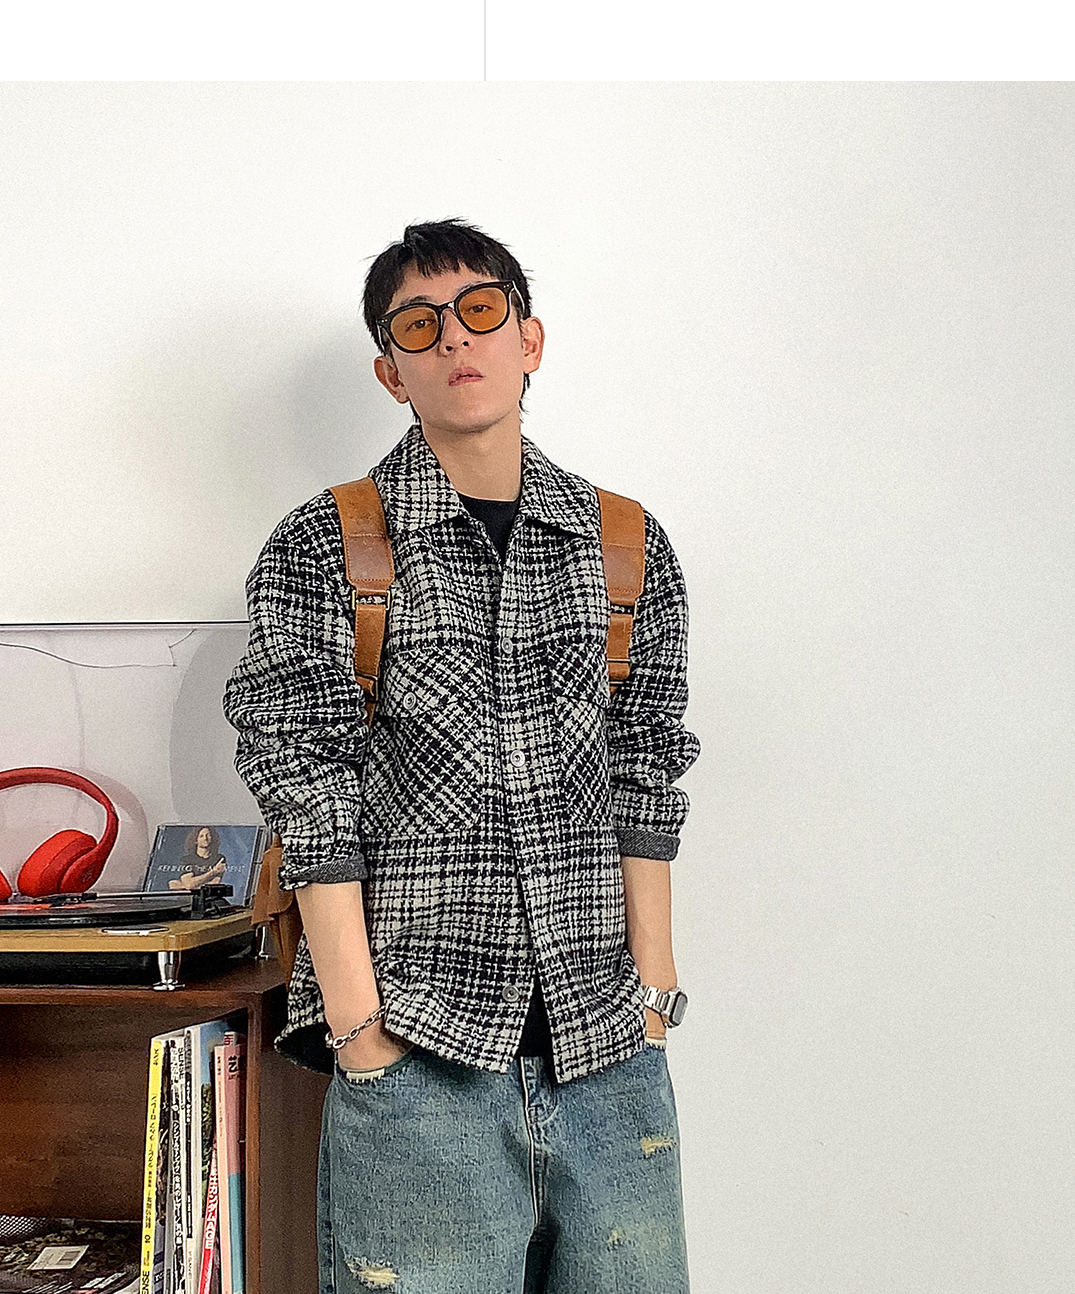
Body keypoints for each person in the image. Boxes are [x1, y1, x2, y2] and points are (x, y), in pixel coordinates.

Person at [223, 219, 700, 1294]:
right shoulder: (326, 545)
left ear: (530, 339)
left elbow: (647, 769)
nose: (455, 339)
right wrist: (360, 1028)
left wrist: (654, 992)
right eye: (419, 326)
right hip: (418, 1048)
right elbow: (306, 785)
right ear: (391, 372)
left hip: (608, 1048)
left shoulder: (625, 545)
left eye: (481, 311)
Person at [168, 825, 227, 890]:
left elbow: (214, 883)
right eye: (201, 836)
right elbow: (189, 884)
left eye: (208, 835)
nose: (205, 838)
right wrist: (213, 872)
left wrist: (182, 885)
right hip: (190, 896)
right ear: (195, 840)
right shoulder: (187, 860)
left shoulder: (219, 859)